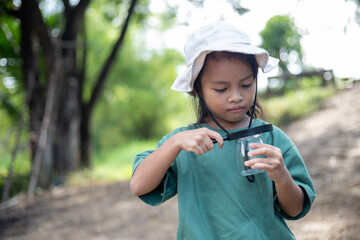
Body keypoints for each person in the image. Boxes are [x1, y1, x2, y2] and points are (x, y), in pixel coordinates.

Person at [130, 22, 316, 239]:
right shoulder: (184, 143)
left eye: (246, 84)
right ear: (197, 91)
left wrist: (282, 177)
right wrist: (174, 144)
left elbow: (295, 209)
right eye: (221, 89)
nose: (236, 96)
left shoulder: (271, 136)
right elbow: (138, 185)